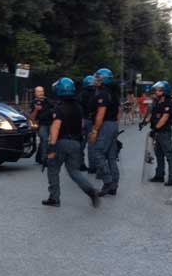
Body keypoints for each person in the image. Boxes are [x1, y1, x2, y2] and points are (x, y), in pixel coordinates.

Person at [42, 77, 101, 208]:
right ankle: (91, 191)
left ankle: (54, 198)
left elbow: (56, 127)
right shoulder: (78, 107)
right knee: (74, 172)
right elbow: (81, 125)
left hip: (61, 142)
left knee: (53, 169)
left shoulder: (59, 108)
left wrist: (51, 148)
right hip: (76, 143)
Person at [88, 68, 120, 196]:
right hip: (113, 125)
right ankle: (114, 185)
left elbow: (100, 115)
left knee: (98, 153)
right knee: (111, 157)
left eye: (98, 78)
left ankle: (108, 182)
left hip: (105, 125)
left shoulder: (102, 94)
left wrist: (95, 131)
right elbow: (118, 112)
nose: (96, 80)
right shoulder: (113, 93)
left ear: (104, 79)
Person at [144, 81, 172, 186]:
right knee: (158, 154)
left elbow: (164, 118)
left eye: (159, 90)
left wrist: (156, 129)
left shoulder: (168, 103)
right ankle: (159, 175)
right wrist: (144, 122)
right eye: (157, 90)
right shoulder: (157, 102)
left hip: (164, 132)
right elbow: (152, 115)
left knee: (168, 154)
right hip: (157, 132)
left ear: (164, 91)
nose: (156, 92)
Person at [29, 86, 54, 166]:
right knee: (44, 140)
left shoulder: (49, 101)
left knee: (50, 141)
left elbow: (55, 110)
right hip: (41, 124)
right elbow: (32, 117)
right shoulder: (34, 103)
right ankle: (44, 160)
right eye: (39, 92)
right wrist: (36, 110)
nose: (41, 93)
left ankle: (39, 158)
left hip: (51, 123)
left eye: (42, 91)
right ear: (35, 93)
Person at [78, 76, 96, 173]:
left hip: (82, 120)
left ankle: (80, 164)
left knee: (81, 143)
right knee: (91, 144)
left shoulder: (81, 95)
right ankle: (92, 166)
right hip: (92, 120)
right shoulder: (96, 94)